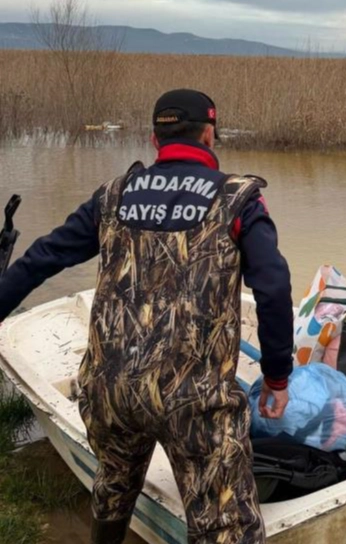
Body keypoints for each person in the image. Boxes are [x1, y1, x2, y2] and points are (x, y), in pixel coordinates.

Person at [0, 89, 294, 544]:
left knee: (113, 490)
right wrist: (276, 377)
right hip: (194, 402)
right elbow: (273, 288)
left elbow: (43, 257)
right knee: (225, 527)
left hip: (111, 390)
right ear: (209, 134)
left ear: (155, 139)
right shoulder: (238, 200)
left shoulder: (113, 195)